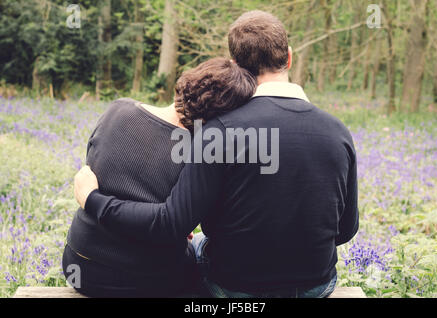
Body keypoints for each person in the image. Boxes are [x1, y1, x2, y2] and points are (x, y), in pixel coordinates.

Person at [74, 10, 359, 298]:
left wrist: (94, 200)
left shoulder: (220, 130)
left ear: (237, 66)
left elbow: (172, 223)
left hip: (233, 288)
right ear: (289, 57)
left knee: (197, 244)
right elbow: (346, 230)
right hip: (316, 286)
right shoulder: (339, 133)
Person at [63, 57, 256, 297]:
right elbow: (171, 223)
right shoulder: (201, 151)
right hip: (148, 280)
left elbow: (96, 170)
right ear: (225, 113)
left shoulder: (118, 109)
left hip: (80, 265)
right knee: (202, 255)